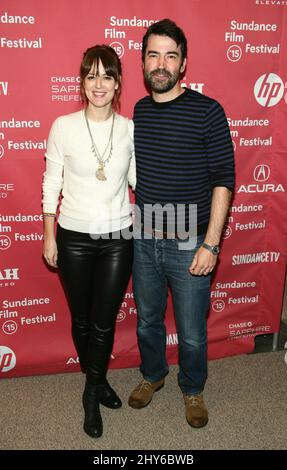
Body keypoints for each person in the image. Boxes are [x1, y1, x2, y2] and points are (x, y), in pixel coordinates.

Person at [128, 19, 235, 428]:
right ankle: (153, 375)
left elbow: (224, 179)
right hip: (143, 240)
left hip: (191, 243)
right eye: (153, 55)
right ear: (143, 63)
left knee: (191, 332)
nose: (161, 63)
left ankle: (193, 388)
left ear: (183, 63)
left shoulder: (208, 111)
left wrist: (211, 245)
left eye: (170, 55)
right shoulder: (138, 111)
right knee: (147, 320)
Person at [42, 45, 136, 438]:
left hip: (118, 236)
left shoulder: (130, 128)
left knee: (102, 322)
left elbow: (137, 181)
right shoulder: (63, 126)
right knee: (81, 319)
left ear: (117, 85)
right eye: (92, 75)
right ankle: (98, 381)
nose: (99, 84)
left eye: (107, 76)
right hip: (73, 236)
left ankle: (89, 393)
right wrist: (49, 235)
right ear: (82, 82)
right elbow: (52, 183)